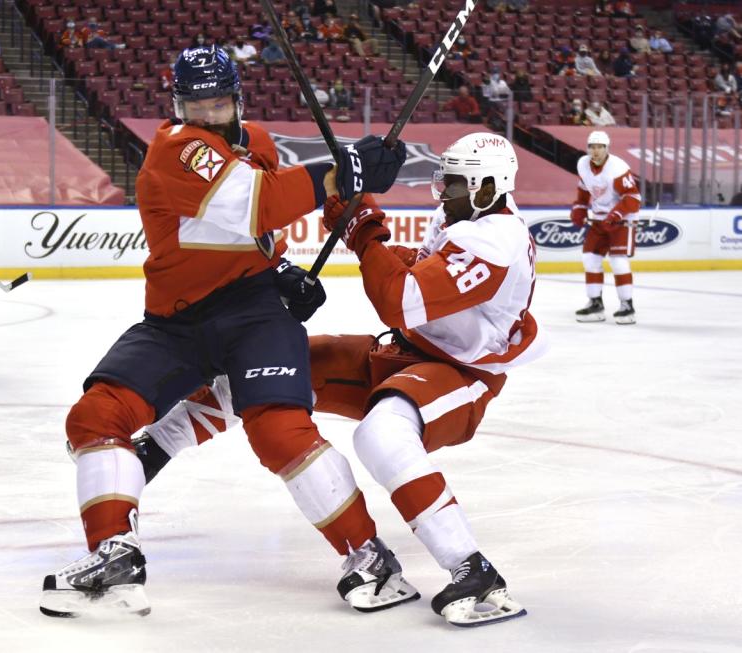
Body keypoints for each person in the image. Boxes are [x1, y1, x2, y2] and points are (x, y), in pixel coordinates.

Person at [38, 45, 412, 619]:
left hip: (255, 312)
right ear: (177, 104)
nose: (207, 115)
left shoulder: (256, 141)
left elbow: (256, 234)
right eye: (195, 104)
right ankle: (115, 554)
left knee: (279, 430)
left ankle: (369, 557)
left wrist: (282, 271)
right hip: (178, 320)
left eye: (218, 103)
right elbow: (256, 203)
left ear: (237, 99)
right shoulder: (175, 150)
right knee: (95, 416)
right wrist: (345, 172)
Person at [134, 133, 544, 628]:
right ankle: (154, 448)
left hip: (460, 372)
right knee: (271, 372)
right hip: (408, 353)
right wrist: (356, 223)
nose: (443, 193)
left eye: (454, 184)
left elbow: (402, 299)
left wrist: (364, 231)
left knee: (383, 433)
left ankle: (473, 572)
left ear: (487, 189)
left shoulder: (496, 241)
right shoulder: (462, 217)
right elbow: (418, 267)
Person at [570, 130, 641, 324]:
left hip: (622, 220)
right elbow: (584, 189)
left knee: (618, 261)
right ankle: (595, 303)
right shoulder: (583, 164)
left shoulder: (617, 168)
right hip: (600, 219)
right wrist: (580, 207)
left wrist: (616, 214)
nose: (596, 151)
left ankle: (627, 305)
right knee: (590, 258)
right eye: (592, 147)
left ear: (607, 149)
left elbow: (633, 198)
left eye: (600, 147)